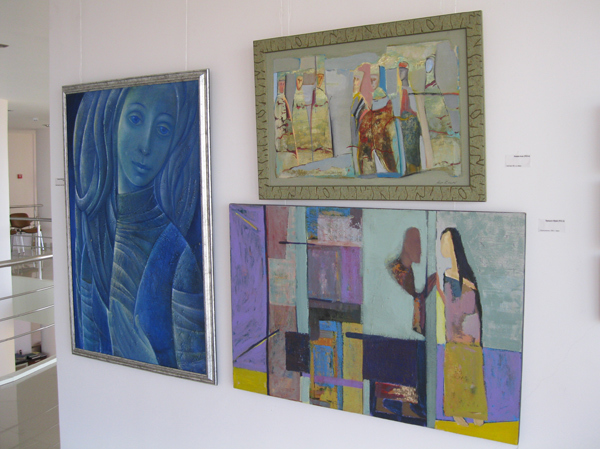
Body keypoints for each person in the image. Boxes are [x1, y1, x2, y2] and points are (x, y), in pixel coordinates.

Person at [71, 81, 206, 374]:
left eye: (163, 130)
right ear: (111, 122)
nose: (146, 145)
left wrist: (143, 356)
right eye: (135, 119)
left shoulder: (176, 254)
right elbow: (88, 351)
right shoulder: (94, 240)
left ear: (174, 143)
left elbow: (198, 371)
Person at [437, 227, 487, 426]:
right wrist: (439, 290)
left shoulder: (464, 276)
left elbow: (468, 307)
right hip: (455, 333)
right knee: (456, 373)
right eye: (442, 241)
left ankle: (476, 412)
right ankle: (458, 412)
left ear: (454, 245)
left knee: (470, 372)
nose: (443, 246)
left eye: (446, 241)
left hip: (468, 333)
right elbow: (452, 306)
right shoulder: (449, 274)